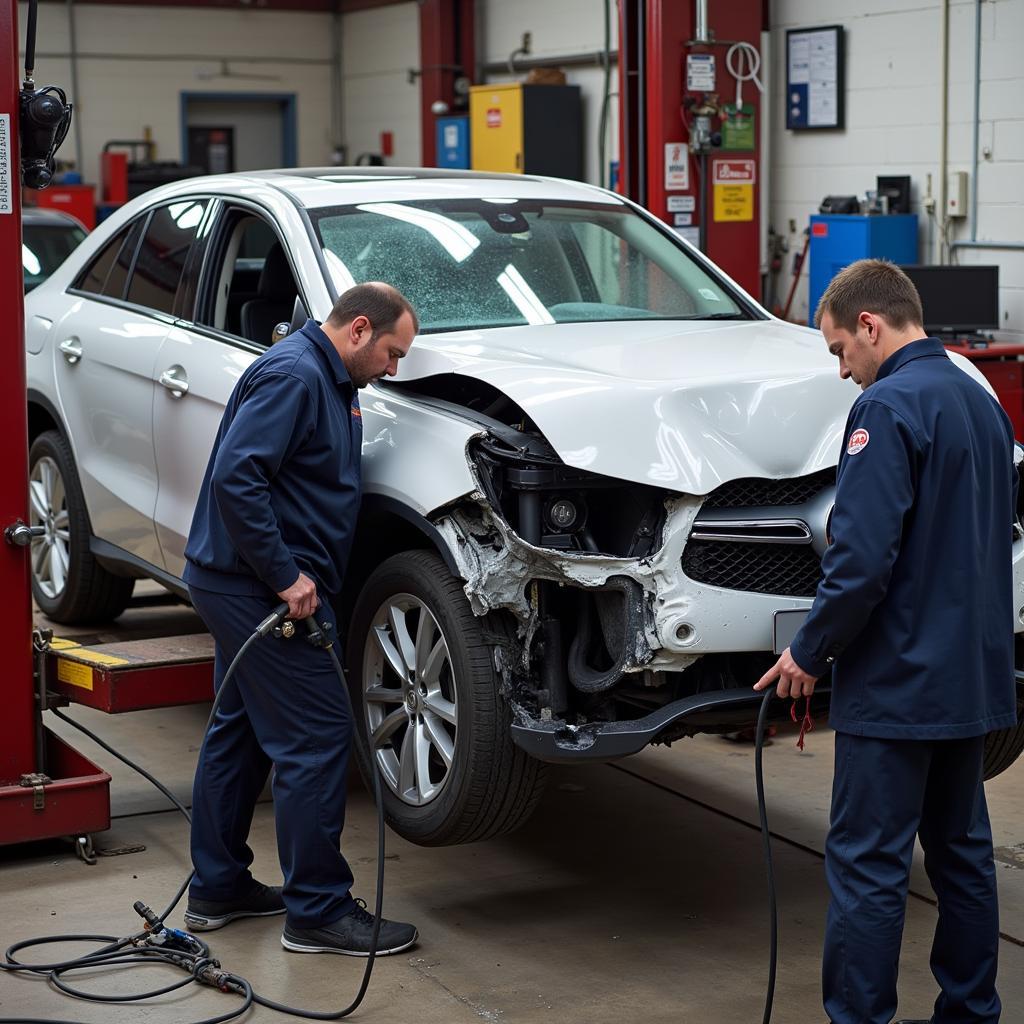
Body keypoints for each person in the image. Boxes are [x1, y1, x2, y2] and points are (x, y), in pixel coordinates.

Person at [753, 259, 1017, 1024]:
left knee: (868, 864)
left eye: (839, 349)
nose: (842, 370)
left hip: (898, 684)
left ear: (870, 326)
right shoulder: (980, 403)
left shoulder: (887, 408)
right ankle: (971, 1011)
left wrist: (810, 650)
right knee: (962, 853)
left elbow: (861, 560)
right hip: (969, 677)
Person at [182, 281, 420, 957]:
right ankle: (317, 911)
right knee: (315, 736)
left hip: (242, 582)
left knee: (242, 732)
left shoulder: (329, 379)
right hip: (256, 588)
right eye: (393, 353)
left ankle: (218, 886)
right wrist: (286, 577)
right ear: (359, 330)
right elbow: (237, 478)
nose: (394, 369)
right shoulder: (295, 376)